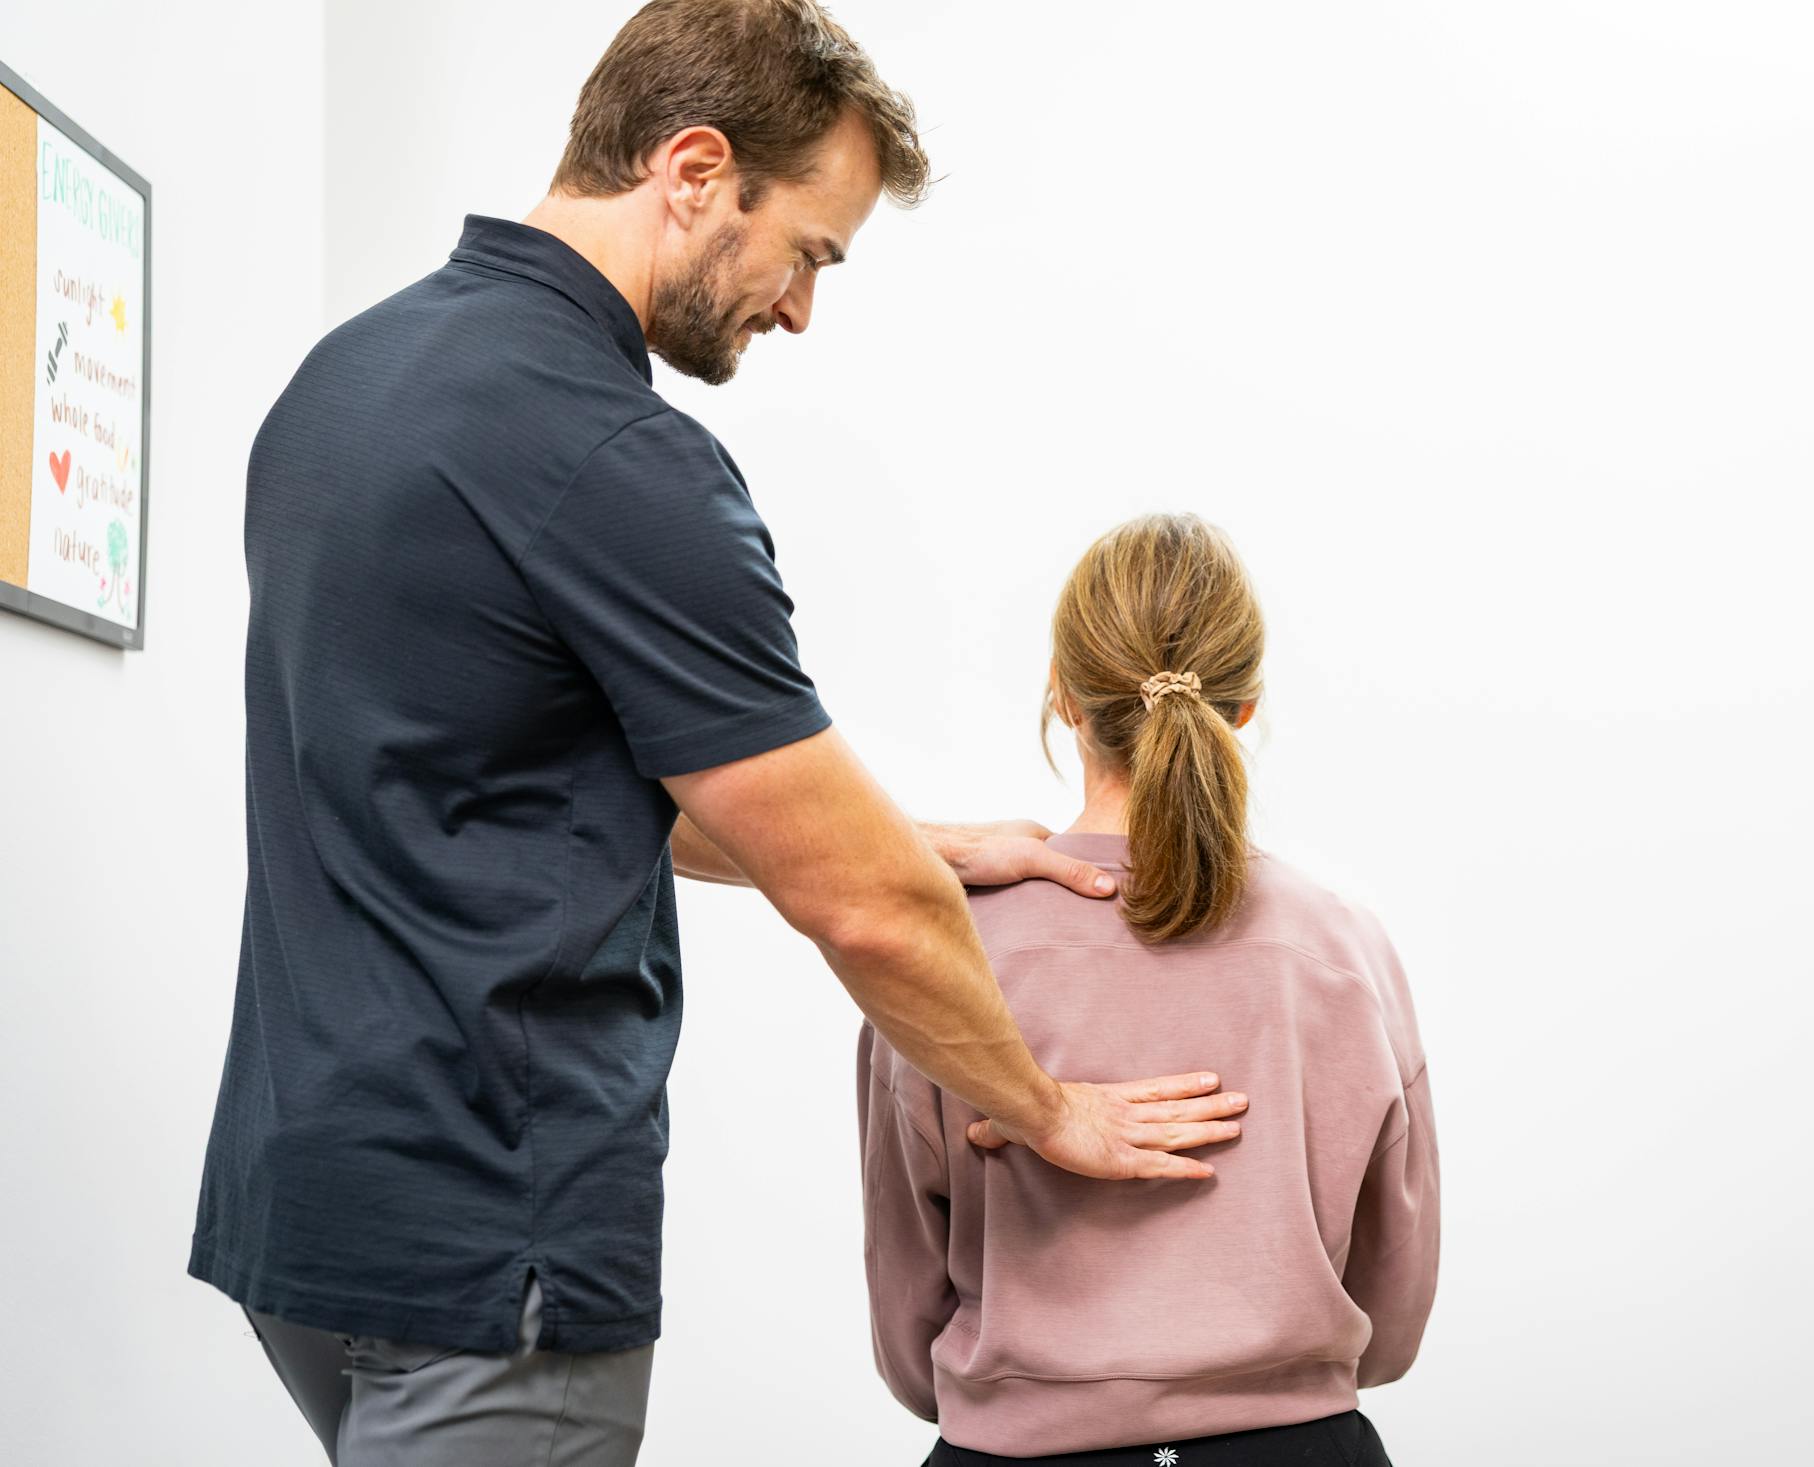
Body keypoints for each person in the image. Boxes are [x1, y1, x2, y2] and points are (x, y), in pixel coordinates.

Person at [187, 5, 1246, 1463]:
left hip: (301, 1209)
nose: (802, 308)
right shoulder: (618, 457)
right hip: (497, 1243)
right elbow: (864, 908)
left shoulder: (343, 384)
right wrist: (1049, 1106)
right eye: (810, 251)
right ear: (695, 169)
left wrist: (931, 835)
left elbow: (514, 779)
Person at [858, 514, 1440, 1465]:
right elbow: (1396, 1309)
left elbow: (907, 1298)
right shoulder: (1343, 948)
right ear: (1244, 706)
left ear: (1063, 698)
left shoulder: (951, 948)